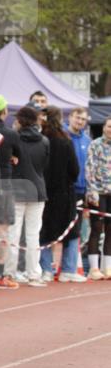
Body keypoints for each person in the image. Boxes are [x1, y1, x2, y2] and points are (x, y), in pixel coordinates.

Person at [39, 106, 82, 282]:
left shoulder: (40, 139)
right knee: (71, 231)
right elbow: (74, 169)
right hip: (64, 192)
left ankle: (45, 269)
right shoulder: (65, 140)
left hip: (44, 191)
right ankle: (68, 269)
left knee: (44, 231)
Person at [11, 106, 50, 286]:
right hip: (37, 189)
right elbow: (44, 166)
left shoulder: (14, 139)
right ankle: (34, 273)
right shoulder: (44, 141)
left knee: (14, 232)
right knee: (33, 234)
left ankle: (11, 272)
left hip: (17, 188)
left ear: (20, 120)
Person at [0, 94, 21, 289]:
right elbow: (18, 156)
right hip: (2, 185)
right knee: (1, 230)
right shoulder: (11, 134)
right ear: (5, 111)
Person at [66, 107, 92, 273]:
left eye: (83, 119)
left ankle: (71, 266)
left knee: (77, 230)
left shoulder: (87, 140)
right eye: (77, 118)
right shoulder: (63, 136)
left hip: (82, 191)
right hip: (66, 190)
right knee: (61, 228)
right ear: (70, 117)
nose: (80, 121)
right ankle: (51, 266)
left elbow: (89, 168)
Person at [85, 116, 111, 280]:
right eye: (109, 126)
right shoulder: (95, 144)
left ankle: (108, 267)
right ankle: (94, 268)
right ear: (103, 127)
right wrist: (92, 190)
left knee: (110, 231)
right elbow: (89, 168)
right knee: (96, 228)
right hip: (98, 193)